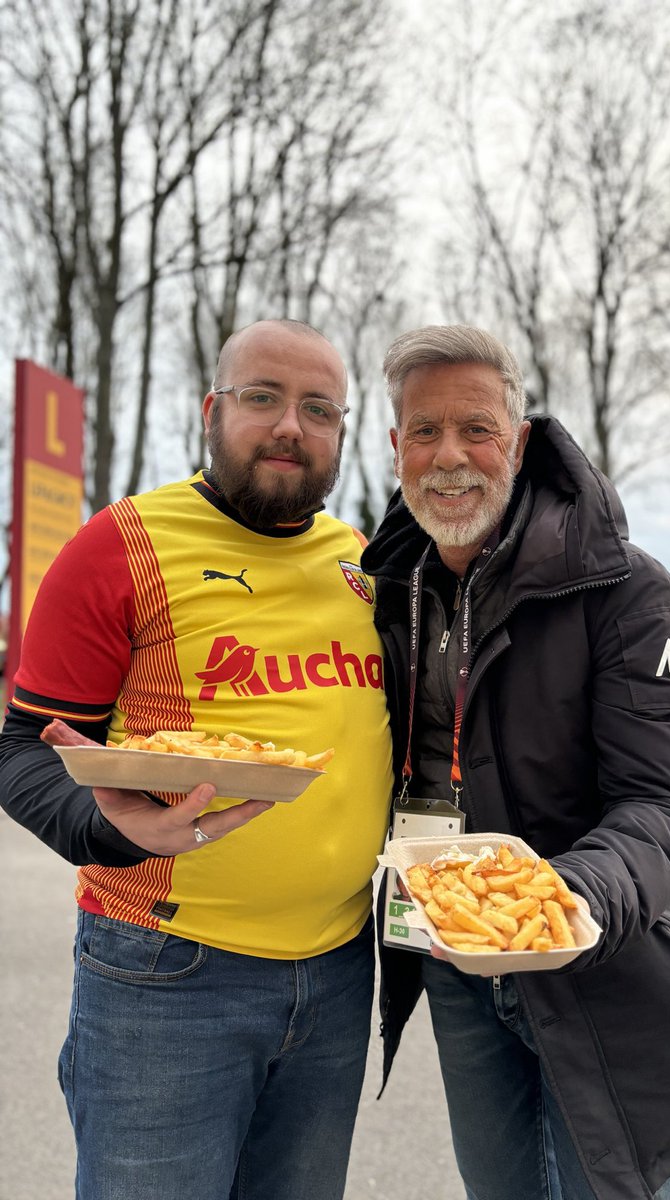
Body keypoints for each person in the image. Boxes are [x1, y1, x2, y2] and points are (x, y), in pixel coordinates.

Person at [0, 320, 393, 1200]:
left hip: (337, 969)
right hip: (166, 974)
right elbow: (23, 745)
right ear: (212, 411)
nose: (291, 425)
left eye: (319, 409)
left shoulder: (363, 567)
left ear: (342, 433)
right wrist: (106, 828)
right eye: (263, 398)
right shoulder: (120, 545)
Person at [360, 324, 670, 1200]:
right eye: (424, 431)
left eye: (476, 429)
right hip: (455, 965)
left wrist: (562, 901)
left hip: (601, 961)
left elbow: (667, 808)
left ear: (520, 442)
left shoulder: (625, 589)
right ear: (395, 448)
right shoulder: (385, 589)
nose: (449, 457)